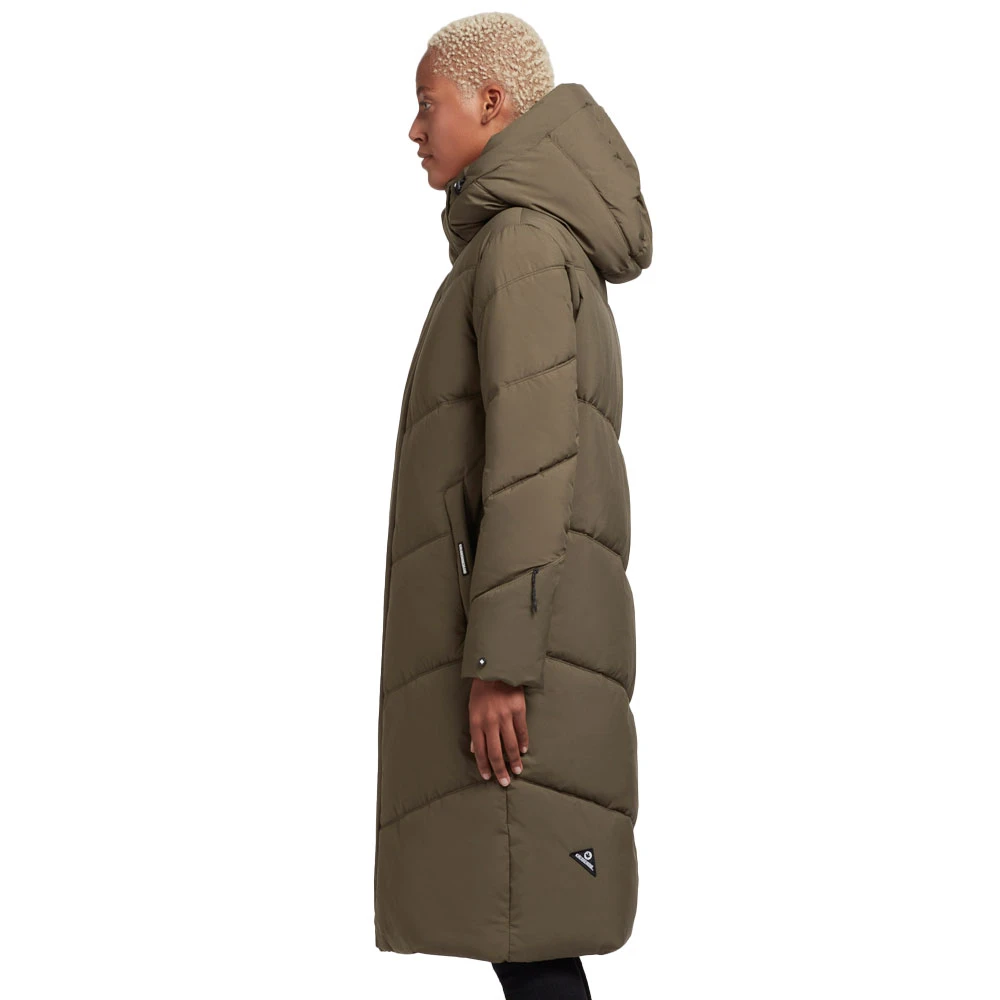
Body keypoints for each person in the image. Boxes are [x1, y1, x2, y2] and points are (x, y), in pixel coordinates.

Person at [374, 12, 653, 998]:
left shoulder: (525, 246)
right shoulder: (525, 243)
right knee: (522, 928)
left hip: (522, 661)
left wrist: (499, 662)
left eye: (428, 104)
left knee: (530, 939)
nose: (414, 130)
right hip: (536, 641)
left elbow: (534, 465)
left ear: (491, 103)